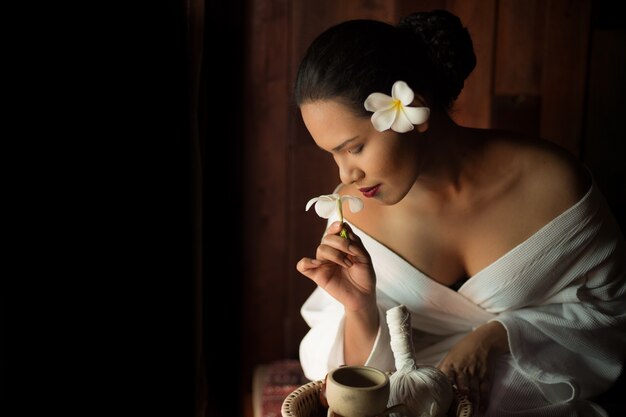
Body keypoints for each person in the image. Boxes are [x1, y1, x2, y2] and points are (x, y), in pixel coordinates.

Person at [294, 9, 626, 416]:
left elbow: (606, 317)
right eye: (333, 154)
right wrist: (360, 309)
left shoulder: (554, 186)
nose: (346, 173)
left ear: (410, 108)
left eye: (354, 147)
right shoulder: (352, 213)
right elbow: (352, 383)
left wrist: (497, 335)